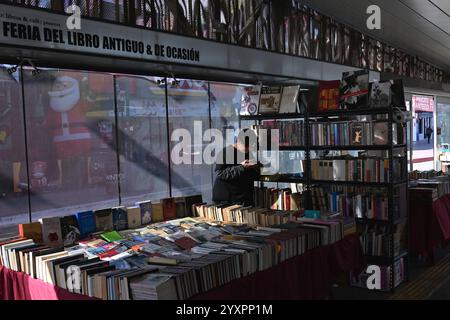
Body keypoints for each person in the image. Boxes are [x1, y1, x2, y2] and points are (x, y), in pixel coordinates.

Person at [212, 129, 261, 206]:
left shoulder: (247, 152)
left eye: (251, 146)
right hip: (228, 199)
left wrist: (256, 167)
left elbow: (248, 174)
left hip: (243, 198)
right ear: (239, 142)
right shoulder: (225, 152)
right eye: (247, 146)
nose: (249, 149)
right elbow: (220, 173)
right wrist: (242, 167)